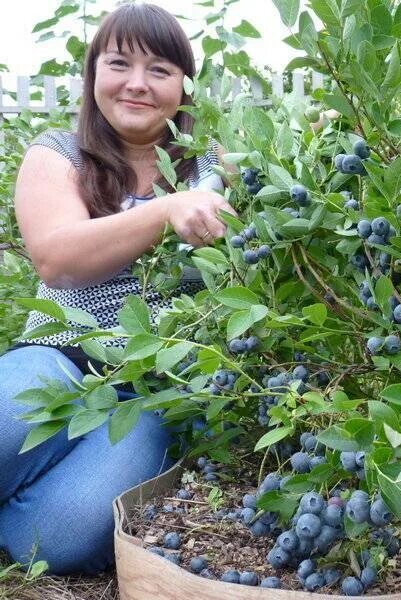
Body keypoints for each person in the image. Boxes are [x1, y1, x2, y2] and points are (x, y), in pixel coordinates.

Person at [0, 2, 239, 575]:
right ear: (93, 76)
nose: (138, 84)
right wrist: (170, 211)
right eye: (119, 63)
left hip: (158, 392)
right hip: (63, 358)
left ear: (185, 85)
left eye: (159, 69)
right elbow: (60, 259)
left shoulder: (218, 167)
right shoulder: (58, 155)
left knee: (60, 541)